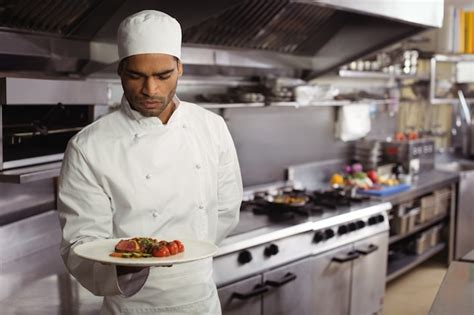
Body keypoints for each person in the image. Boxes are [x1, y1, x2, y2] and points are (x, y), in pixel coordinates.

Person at [57, 10, 243, 314]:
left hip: (200, 299)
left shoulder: (212, 127)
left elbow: (226, 210)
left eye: (162, 75)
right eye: (136, 76)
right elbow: (80, 243)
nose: (150, 90)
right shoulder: (88, 146)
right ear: (120, 71)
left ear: (180, 69)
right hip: (132, 305)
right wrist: (131, 266)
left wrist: (187, 260)